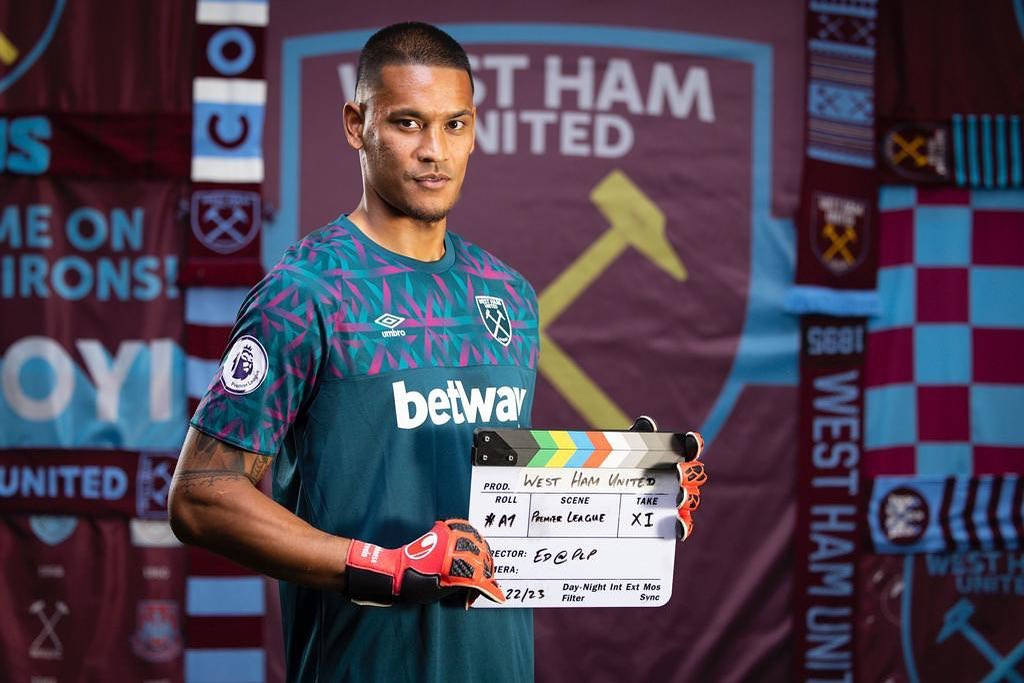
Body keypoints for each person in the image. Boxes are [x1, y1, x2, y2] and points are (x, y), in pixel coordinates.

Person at [169, 22, 707, 683]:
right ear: (355, 125)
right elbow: (200, 495)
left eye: (455, 125)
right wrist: (386, 567)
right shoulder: (302, 293)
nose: (434, 150)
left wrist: (629, 506)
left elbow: (494, 506)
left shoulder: (508, 295)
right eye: (408, 123)